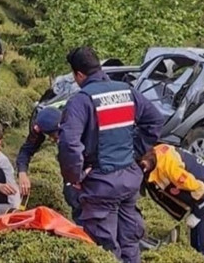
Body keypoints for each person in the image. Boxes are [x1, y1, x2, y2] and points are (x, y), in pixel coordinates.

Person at [57, 45, 164, 263]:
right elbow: (155, 120)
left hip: (101, 185)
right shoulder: (127, 91)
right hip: (129, 180)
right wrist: (134, 152)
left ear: (79, 74)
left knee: (104, 249)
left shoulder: (80, 101)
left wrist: (75, 177)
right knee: (129, 243)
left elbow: (69, 144)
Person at [139, 144, 204, 263]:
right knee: (195, 246)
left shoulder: (171, 168)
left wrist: (197, 214)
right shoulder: (156, 152)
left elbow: (200, 190)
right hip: (203, 195)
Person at [15, 106, 81, 216]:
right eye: (48, 135)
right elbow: (25, 151)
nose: (51, 139)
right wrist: (22, 172)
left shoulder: (75, 128)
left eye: (53, 135)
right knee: (69, 195)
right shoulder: (39, 127)